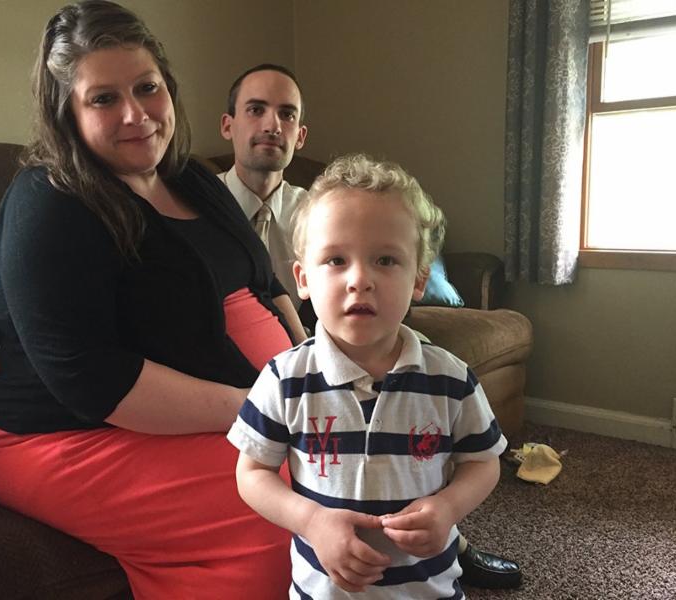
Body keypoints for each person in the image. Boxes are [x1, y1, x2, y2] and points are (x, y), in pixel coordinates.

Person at [0, 2, 304, 598]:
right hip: (64, 432)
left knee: (351, 468)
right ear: (66, 113)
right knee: (282, 515)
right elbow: (89, 377)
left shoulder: (189, 177)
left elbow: (266, 284)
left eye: (147, 88)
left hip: (220, 403)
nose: (136, 115)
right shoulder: (48, 201)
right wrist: (262, 410)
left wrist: (316, 376)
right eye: (103, 98)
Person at [220, 65, 523, 591]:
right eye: (336, 260)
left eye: (385, 260)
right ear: (303, 279)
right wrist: (310, 520)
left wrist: (448, 507)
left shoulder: (450, 379)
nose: (360, 280)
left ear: (418, 279)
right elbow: (252, 474)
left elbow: (483, 463)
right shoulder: (285, 379)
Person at [219, 64, 308, 312]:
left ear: (300, 137)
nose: (272, 126)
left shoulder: (316, 216)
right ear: (227, 126)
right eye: (256, 110)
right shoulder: (193, 205)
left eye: (287, 114)